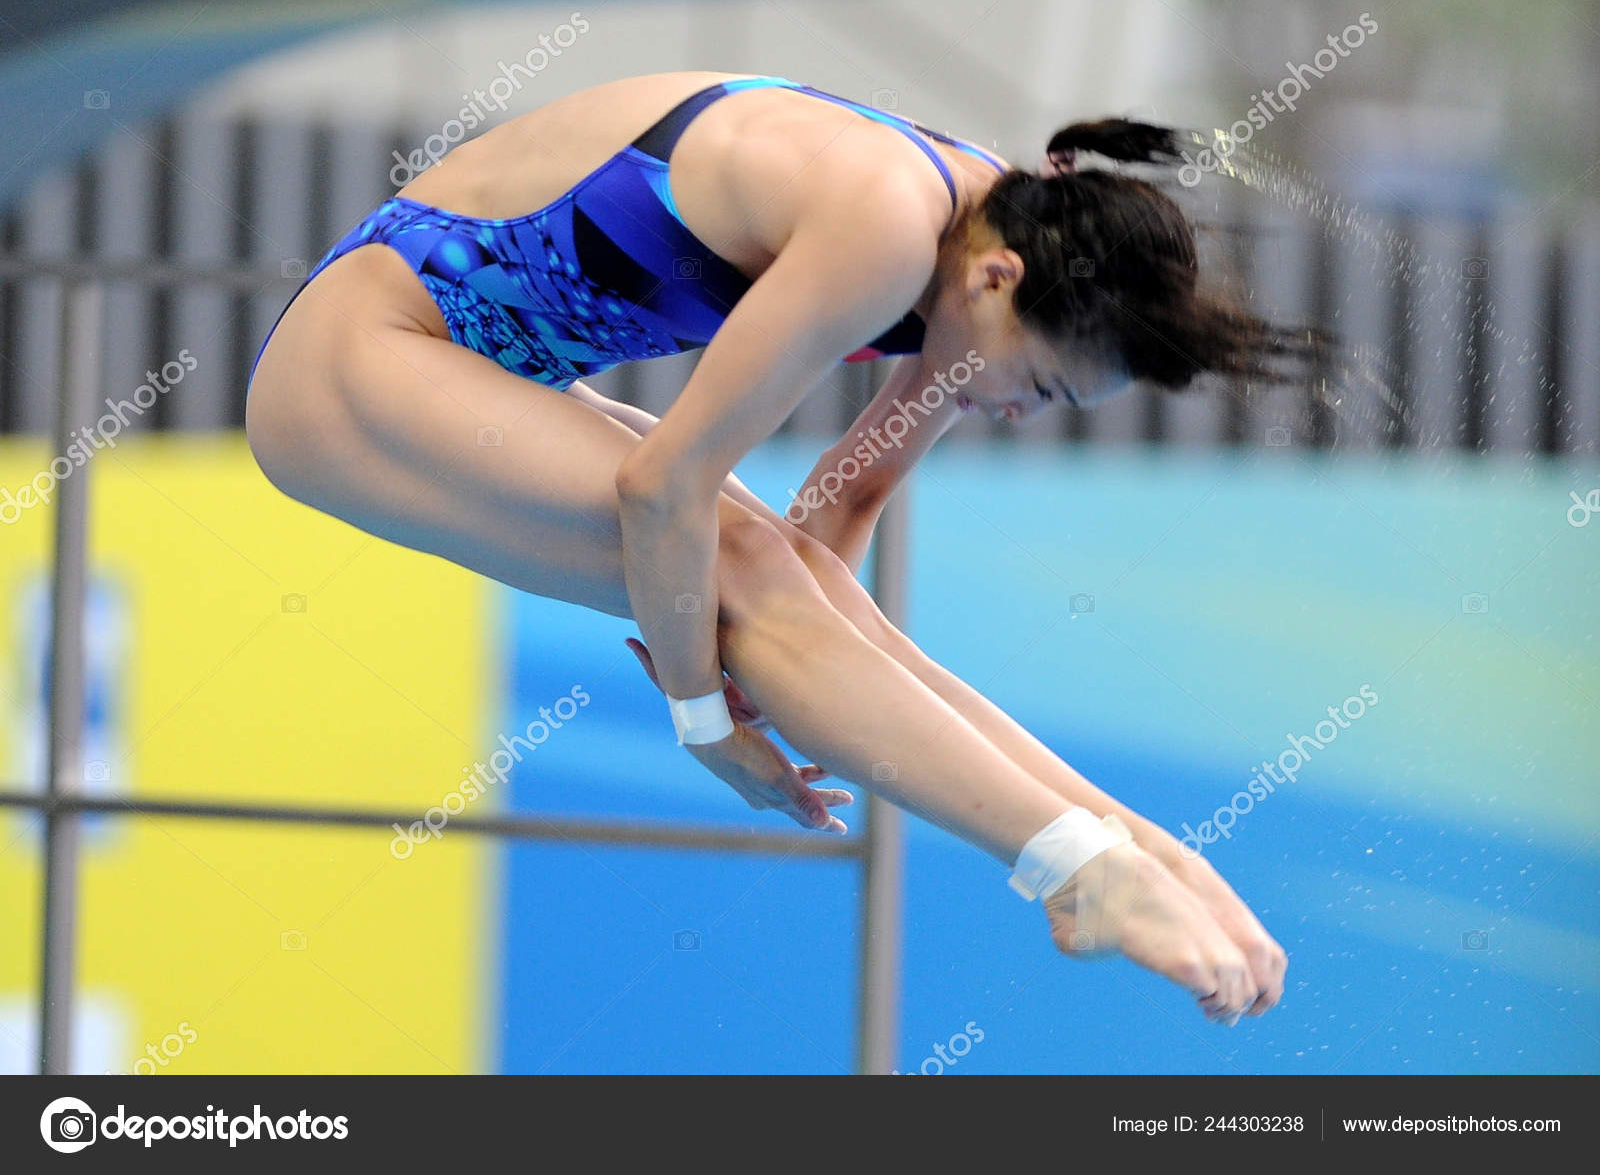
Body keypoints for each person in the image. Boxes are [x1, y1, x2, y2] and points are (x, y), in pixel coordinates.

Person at [246, 71, 1309, 1024]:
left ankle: (1145, 853)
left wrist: (777, 665)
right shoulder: (888, 222)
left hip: (470, 359)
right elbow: (663, 487)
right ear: (998, 281)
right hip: (358, 354)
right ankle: (1073, 866)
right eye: (1037, 384)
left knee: (796, 588)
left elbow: (845, 501)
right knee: (746, 572)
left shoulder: (983, 233)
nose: (1022, 412)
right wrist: (703, 711)